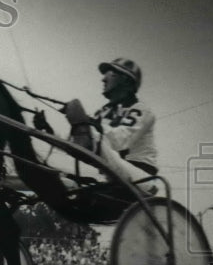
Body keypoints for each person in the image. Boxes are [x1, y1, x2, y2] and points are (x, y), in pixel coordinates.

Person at [65, 58, 157, 188]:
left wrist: (89, 124)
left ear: (125, 79)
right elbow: (81, 141)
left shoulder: (141, 110)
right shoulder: (103, 112)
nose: (103, 79)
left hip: (140, 177)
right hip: (109, 175)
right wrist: (49, 130)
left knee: (93, 137)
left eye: (109, 74)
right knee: (64, 179)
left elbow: (120, 141)